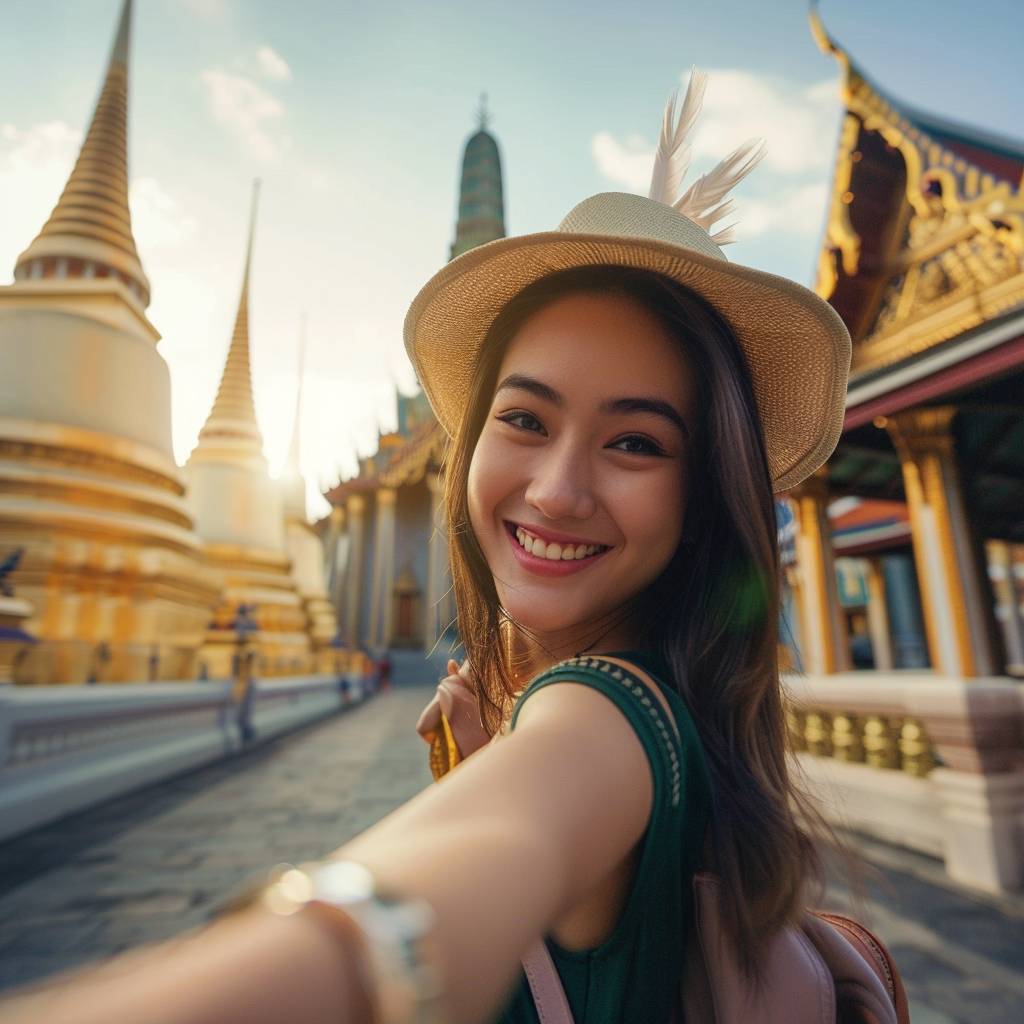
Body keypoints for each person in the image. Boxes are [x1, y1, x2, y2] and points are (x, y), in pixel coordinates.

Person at [0, 71, 850, 1024]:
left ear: (701, 499)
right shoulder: (660, 710)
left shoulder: (604, 716)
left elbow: (452, 883)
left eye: (636, 442)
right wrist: (495, 758)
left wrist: (343, 943)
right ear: (469, 440)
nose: (557, 490)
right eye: (525, 418)